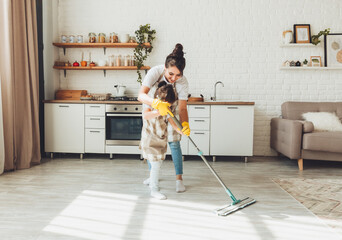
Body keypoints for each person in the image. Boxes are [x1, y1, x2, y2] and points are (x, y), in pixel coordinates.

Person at [138, 43, 190, 196]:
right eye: (171, 75)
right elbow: (141, 95)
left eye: (178, 75)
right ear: (165, 68)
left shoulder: (182, 82)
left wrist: (184, 125)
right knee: (152, 146)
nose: (174, 78)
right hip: (151, 106)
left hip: (169, 108)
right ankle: (152, 176)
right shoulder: (155, 72)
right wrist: (155, 104)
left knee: (174, 143)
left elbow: (181, 108)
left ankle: (179, 179)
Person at [140, 81, 183, 199]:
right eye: (168, 104)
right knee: (156, 164)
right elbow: (145, 116)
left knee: (156, 164)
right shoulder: (150, 104)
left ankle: (151, 179)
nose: (169, 107)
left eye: (170, 105)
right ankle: (154, 189)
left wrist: (181, 130)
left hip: (160, 140)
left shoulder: (167, 108)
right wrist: (158, 111)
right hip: (149, 140)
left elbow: (172, 123)